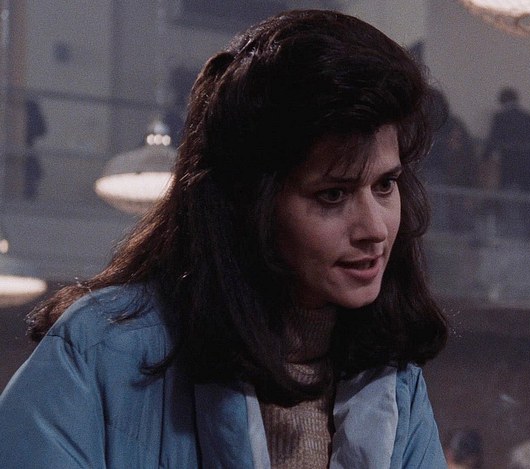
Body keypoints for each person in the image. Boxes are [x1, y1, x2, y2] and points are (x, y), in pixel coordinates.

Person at [0, 9, 448, 468]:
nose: (375, 228)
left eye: (385, 185)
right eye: (333, 195)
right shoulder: (101, 352)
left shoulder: (396, 384)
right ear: (250, 202)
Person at [481, 87, 530, 240]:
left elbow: (492, 143)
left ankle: (513, 236)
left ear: (501, 101)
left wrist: (483, 160)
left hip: (509, 168)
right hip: (529, 168)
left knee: (510, 204)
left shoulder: (500, 118)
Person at [423, 87, 478, 232]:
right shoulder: (452, 123)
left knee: (440, 202)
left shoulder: (427, 124)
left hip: (436, 168)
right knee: (451, 202)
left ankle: (442, 230)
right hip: (450, 170)